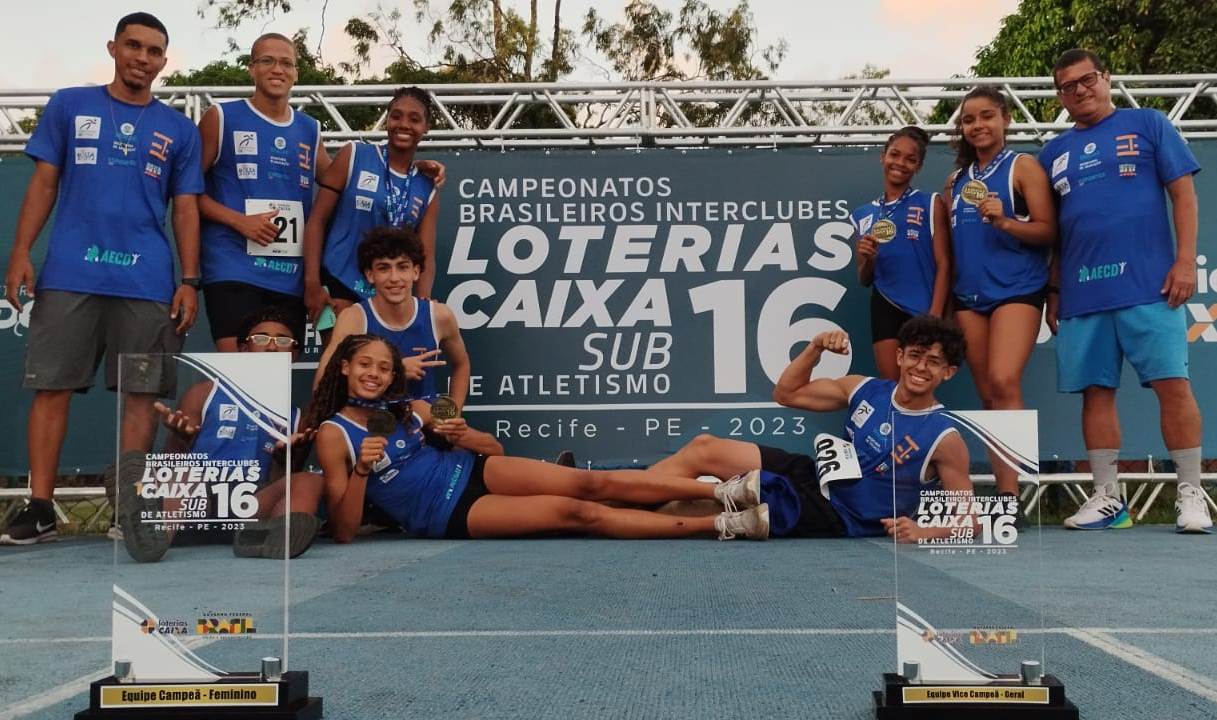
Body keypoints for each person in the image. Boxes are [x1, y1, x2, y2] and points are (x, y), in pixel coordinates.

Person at [1, 13, 203, 546]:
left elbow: (185, 209)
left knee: (141, 395)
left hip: (147, 281)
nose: (142, 57)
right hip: (71, 272)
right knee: (52, 388)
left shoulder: (179, 128)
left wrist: (190, 280)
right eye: (133, 46)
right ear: (113, 48)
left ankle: (128, 508)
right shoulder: (70, 104)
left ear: (164, 60)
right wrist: (21, 252)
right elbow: (43, 184)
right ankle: (40, 506)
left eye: (154, 50)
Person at [308, 334, 771, 542]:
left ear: (394, 375)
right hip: (449, 511)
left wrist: (463, 432)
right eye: (365, 365)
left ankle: (723, 490)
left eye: (384, 367)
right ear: (345, 367)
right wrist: (365, 468)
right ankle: (723, 524)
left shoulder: (418, 405)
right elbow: (346, 532)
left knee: (592, 483)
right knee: (579, 513)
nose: (374, 374)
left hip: (476, 469)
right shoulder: (335, 434)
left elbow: (494, 448)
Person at [1040, 49, 1211, 533]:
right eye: (1068, 86)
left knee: (1173, 386)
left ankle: (1191, 494)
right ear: (1060, 96)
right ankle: (1108, 499)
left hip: (1150, 286)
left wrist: (1184, 261)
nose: (1080, 90)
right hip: (1082, 294)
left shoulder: (1150, 123)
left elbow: (1184, 194)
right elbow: (1052, 233)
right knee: (1095, 394)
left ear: (1105, 78)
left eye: (1087, 79)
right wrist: (1054, 290)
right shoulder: (1051, 154)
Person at [650, 316, 972, 542]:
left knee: (711, 508)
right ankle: (628, 499)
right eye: (915, 355)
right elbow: (786, 394)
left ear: (948, 372)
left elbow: (968, 521)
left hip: (838, 514)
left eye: (933, 361)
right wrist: (814, 347)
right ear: (900, 356)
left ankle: (618, 512)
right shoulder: (865, 388)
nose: (920, 367)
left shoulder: (944, 438)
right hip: (814, 475)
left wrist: (923, 532)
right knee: (705, 447)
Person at [123, 307, 320, 561]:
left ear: (294, 355)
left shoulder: (295, 417)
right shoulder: (204, 393)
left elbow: (278, 482)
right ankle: (154, 539)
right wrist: (180, 438)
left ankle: (266, 539)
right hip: (197, 506)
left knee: (310, 481)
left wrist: (284, 459)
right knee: (181, 473)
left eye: (283, 341)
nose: (272, 347)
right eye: (261, 338)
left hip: (248, 509)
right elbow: (171, 461)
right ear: (244, 349)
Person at [944, 85, 1056, 496]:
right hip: (970, 299)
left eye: (987, 116)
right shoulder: (955, 181)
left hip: (1017, 291)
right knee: (988, 393)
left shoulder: (1023, 166)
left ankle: (1012, 495)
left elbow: (1049, 231)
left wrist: (1005, 221)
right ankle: (1004, 489)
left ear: (1005, 119)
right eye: (969, 120)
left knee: (1005, 381)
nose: (978, 125)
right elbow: (952, 252)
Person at [198, 32, 330, 351]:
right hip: (233, 267)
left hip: (290, 275)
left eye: (287, 63)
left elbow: (343, 180)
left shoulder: (309, 129)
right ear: (251, 68)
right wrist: (239, 221)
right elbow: (187, 193)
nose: (277, 69)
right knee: (240, 373)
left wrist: (411, 167)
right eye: (267, 61)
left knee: (277, 377)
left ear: (296, 73)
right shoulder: (222, 117)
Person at [302, 87, 444, 331]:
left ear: (426, 127)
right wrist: (312, 282)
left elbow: (426, 254)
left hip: (387, 290)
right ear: (387, 120)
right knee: (338, 361)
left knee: (379, 366)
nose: (404, 124)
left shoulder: (427, 186)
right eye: (396, 116)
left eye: (414, 119)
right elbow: (316, 220)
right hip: (337, 279)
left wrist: (421, 302)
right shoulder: (354, 155)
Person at [313, 226, 468, 412]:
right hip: (374, 421)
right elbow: (324, 380)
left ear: (416, 272)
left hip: (426, 421)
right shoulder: (354, 318)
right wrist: (397, 370)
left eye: (403, 267)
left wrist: (454, 413)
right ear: (370, 275)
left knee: (484, 442)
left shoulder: (440, 316)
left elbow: (462, 364)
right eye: (384, 268)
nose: (394, 278)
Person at [851, 125, 950, 379]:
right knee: (891, 385)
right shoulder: (863, 214)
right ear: (883, 156)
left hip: (922, 307)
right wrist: (869, 259)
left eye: (911, 159)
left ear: (918, 166)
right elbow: (864, 278)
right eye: (895, 154)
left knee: (920, 380)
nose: (900, 163)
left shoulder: (930, 203)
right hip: (884, 304)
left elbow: (944, 263)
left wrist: (935, 316)